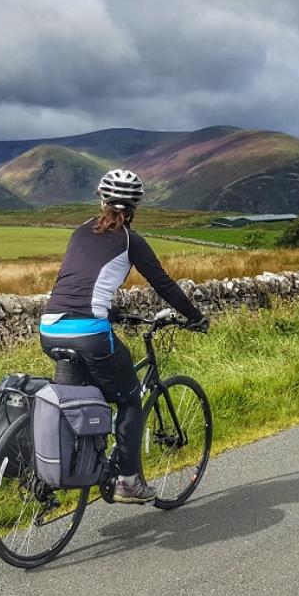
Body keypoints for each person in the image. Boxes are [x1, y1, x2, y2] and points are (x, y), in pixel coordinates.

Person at [39, 169, 208, 503]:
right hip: (89, 333)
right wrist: (196, 317)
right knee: (129, 397)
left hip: (49, 329)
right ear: (134, 208)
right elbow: (164, 284)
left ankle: (65, 466)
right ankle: (127, 482)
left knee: (76, 399)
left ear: (101, 200)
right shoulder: (132, 240)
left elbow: (80, 282)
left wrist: (113, 313)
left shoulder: (79, 231)